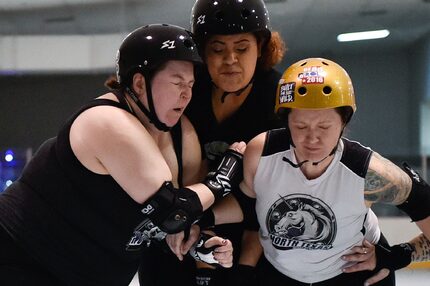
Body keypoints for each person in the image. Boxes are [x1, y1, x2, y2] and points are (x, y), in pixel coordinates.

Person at [0, 23, 238, 286]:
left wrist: (198, 243)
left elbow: (176, 222)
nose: (186, 93)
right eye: (177, 82)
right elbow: (173, 211)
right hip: (21, 260)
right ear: (139, 82)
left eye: (191, 84)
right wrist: (221, 179)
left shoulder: (182, 135)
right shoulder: (106, 121)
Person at [167, 57, 430, 286]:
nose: (312, 139)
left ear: (344, 122)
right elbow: (247, 206)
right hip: (280, 273)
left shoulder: (368, 171)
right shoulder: (262, 152)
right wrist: (198, 219)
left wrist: (397, 255)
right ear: (285, 122)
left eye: (324, 127)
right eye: (301, 126)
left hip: (350, 276)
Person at [138, 0, 286, 285]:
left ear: (261, 48)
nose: (230, 59)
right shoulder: (188, 88)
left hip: (252, 232)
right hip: (179, 222)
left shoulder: (279, 99)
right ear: (202, 52)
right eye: (217, 49)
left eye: (242, 48)